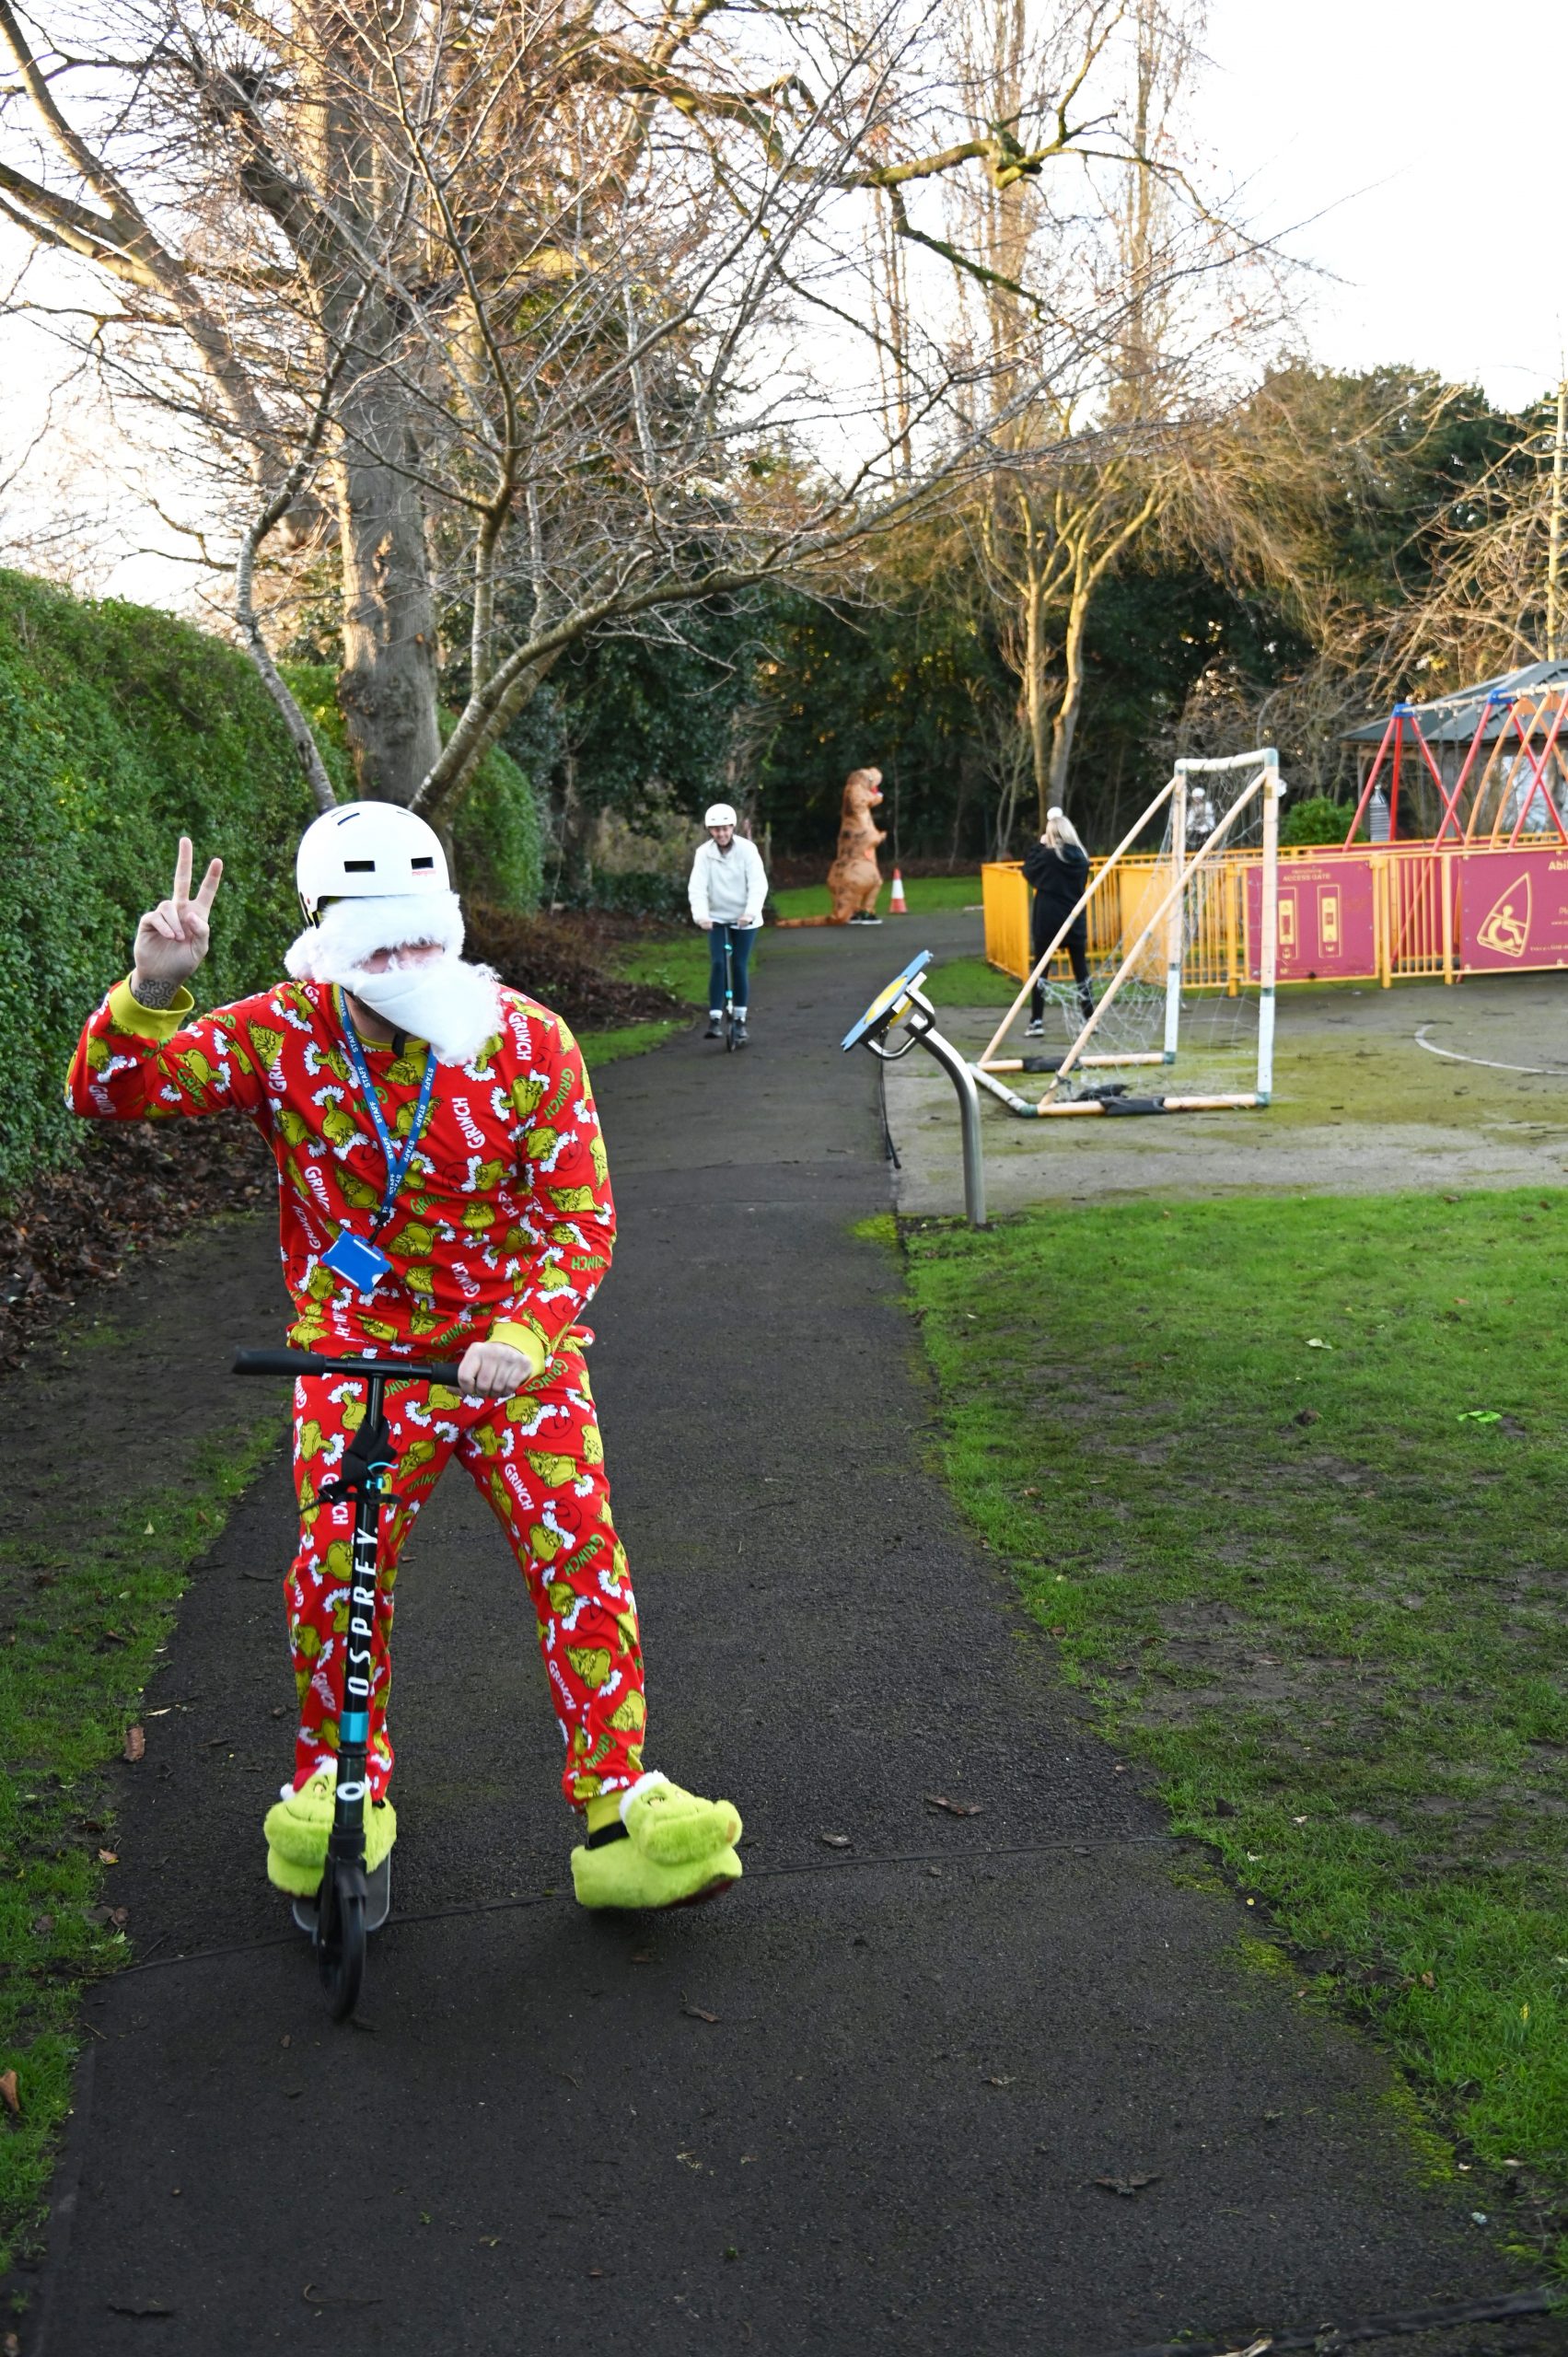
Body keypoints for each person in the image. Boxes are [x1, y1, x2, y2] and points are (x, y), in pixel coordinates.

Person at [66, 811, 743, 1916]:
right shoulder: (281, 1034)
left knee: (580, 1554)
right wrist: (151, 988)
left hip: (513, 1355)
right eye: (379, 946)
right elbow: (109, 1095)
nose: (404, 967)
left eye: (420, 940)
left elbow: (581, 1215)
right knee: (337, 1568)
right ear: (327, 941)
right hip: (356, 1352)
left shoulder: (525, 1038)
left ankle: (617, 1803)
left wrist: (521, 1335)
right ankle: (342, 1785)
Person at [688, 802, 768, 1045]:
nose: (721, 834)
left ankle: (740, 1020)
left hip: (745, 918)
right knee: (718, 963)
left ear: (732, 827)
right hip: (716, 918)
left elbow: (758, 884)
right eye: (716, 830)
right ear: (709, 831)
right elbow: (697, 888)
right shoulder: (704, 853)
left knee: (739, 965)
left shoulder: (747, 850)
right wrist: (701, 916)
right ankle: (715, 1018)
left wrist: (750, 913)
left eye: (725, 829)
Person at [1023, 807, 1094, 1036]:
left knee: (1041, 970)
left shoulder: (1047, 857)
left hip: (1048, 919)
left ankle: (1036, 1021)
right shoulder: (1081, 858)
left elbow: (1028, 871)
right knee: (1080, 970)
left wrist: (1039, 845)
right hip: (1074, 919)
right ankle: (1089, 1018)